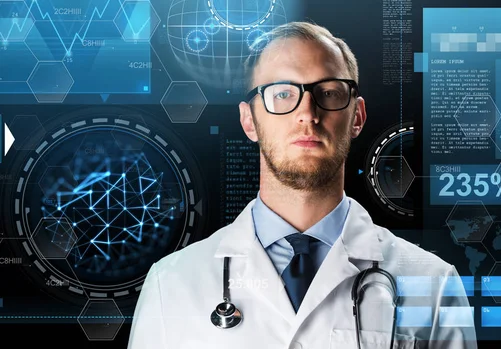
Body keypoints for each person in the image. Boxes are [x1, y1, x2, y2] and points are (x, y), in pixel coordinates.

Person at [128, 21, 477, 349]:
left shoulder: (434, 284)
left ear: (356, 117)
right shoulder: (171, 284)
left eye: (328, 92)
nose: (307, 113)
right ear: (249, 121)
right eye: (282, 94)